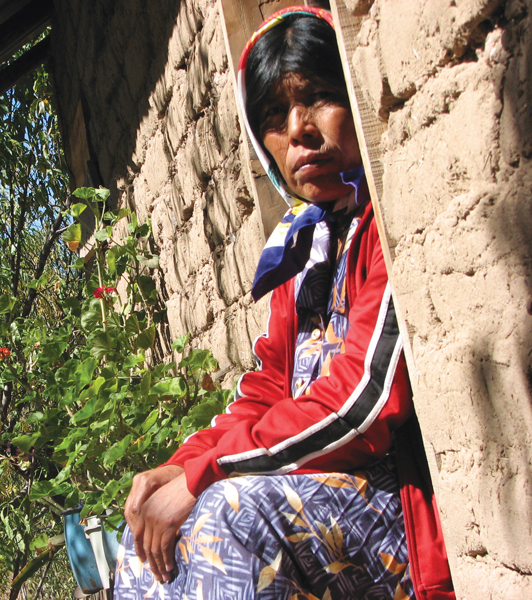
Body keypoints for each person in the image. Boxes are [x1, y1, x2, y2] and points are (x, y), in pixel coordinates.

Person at [115, 7, 455, 600]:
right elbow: (267, 389)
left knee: (227, 518)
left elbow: (361, 401)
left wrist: (208, 474)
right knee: (144, 540)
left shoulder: (388, 222)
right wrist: (180, 466)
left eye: (319, 96)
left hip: (392, 515)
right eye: (274, 114)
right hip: (315, 501)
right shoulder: (305, 256)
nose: (298, 129)